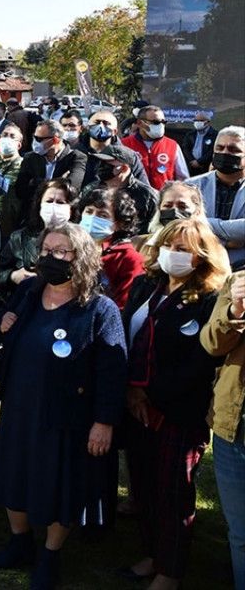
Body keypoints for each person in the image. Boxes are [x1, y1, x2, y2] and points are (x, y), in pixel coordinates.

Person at [0, 222, 127, 588]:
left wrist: (104, 422)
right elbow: (4, 319)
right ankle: (19, 543)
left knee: (59, 483)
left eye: (62, 251)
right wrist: (6, 320)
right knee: (13, 473)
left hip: (67, 416)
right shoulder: (31, 291)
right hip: (20, 405)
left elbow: (113, 372)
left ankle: (50, 554)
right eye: (46, 250)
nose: (51, 257)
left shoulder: (100, 309)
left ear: (81, 258)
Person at [122, 219, 229, 589]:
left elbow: (202, 360)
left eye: (184, 249)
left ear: (201, 256)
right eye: (170, 245)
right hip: (135, 406)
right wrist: (133, 391)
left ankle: (170, 571)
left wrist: (153, 395)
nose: (175, 254)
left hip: (179, 412)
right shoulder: (145, 287)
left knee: (173, 492)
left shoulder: (210, 298)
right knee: (145, 487)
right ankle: (153, 552)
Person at [199, 271, 245, 590]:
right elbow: (212, 343)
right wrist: (235, 312)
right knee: (241, 533)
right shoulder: (239, 281)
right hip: (234, 427)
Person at [0, 179, 76, 316]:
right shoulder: (19, 238)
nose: (54, 207)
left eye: (60, 202)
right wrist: (12, 276)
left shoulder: (79, 241)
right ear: (40, 205)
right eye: (49, 201)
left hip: (63, 313)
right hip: (21, 311)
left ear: (71, 209)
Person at [186, 126, 245, 268]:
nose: (224, 153)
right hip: (198, 267)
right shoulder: (190, 187)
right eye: (220, 148)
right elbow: (183, 224)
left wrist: (200, 224)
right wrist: (229, 240)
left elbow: (193, 223)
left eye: (233, 150)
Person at [79, 187, 146, 310]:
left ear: (119, 223)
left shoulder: (128, 258)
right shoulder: (72, 247)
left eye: (102, 215)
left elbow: (123, 306)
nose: (93, 218)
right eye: (89, 211)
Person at [12, 120, 88, 226]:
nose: (35, 142)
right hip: (32, 218)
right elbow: (20, 190)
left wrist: (35, 182)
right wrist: (59, 181)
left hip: (63, 220)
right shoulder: (30, 158)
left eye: (39, 139)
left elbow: (72, 188)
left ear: (55, 139)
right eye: (34, 137)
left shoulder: (77, 157)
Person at [79, 145, 159, 228]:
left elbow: (153, 227)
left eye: (106, 164)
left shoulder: (147, 196)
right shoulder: (91, 189)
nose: (100, 166)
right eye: (100, 162)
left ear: (124, 168)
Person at [122, 105, 188, 190]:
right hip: (134, 199)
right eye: (156, 122)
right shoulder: (125, 144)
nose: (160, 125)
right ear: (140, 123)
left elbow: (183, 179)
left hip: (163, 200)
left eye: (163, 122)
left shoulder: (172, 145)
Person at [182, 111, 217, 176]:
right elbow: (185, 148)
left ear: (207, 122)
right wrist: (192, 161)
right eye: (195, 120)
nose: (197, 122)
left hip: (206, 168)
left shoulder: (214, 135)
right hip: (191, 167)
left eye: (200, 120)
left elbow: (212, 150)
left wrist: (199, 162)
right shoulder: (190, 134)